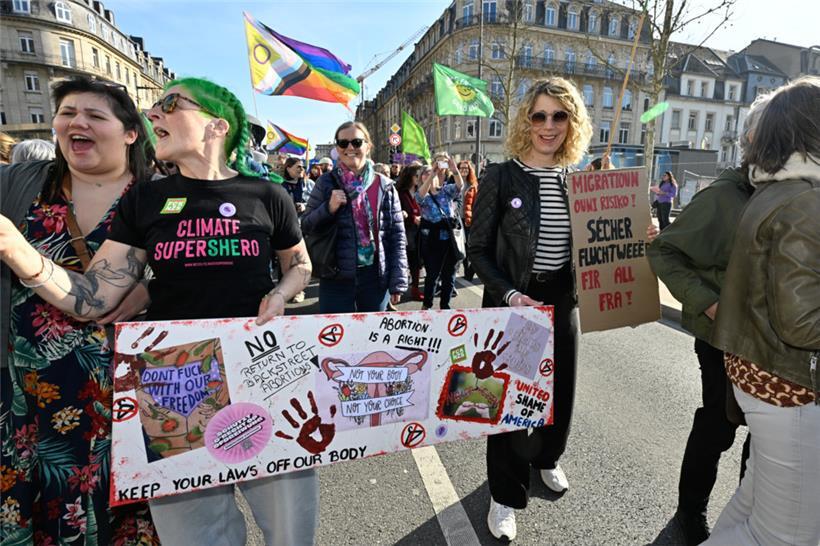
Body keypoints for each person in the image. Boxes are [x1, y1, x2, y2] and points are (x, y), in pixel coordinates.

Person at [0, 77, 314, 545]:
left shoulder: (268, 195)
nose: (153, 114)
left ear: (217, 125)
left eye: (170, 103)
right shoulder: (146, 199)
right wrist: (17, 251)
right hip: (173, 379)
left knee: (288, 522)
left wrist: (282, 293)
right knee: (194, 532)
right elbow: (94, 297)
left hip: (261, 367)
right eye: (154, 107)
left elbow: (300, 264)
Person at [0, 77, 159, 544]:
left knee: (125, 506)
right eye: (67, 113)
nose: (77, 122)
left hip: (127, 386)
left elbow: (205, 273)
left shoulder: (161, 195)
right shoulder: (18, 182)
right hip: (27, 388)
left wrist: (153, 289)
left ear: (130, 133)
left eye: (94, 115)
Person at [468, 77, 592, 541]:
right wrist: (508, 294)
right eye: (539, 115)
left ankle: (547, 458)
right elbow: (478, 250)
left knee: (560, 391)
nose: (548, 125)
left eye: (560, 116)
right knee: (510, 404)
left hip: (565, 299)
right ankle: (504, 494)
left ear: (572, 122)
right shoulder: (501, 177)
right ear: (526, 120)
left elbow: (596, 245)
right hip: (517, 300)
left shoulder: (578, 180)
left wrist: (635, 234)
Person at [647, 92, 771, 545]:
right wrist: (712, 304)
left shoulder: (793, 197)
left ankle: (747, 520)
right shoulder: (723, 196)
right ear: (754, 141)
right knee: (718, 427)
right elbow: (665, 252)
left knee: (767, 442)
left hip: (775, 346)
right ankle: (689, 515)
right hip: (722, 339)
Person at [705, 77, 820, 546]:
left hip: (763, 377)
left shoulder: (774, 191)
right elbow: (800, 322)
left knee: (751, 507)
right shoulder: (805, 201)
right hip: (788, 386)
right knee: (788, 536)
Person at [302, 121, 408, 313]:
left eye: (357, 142)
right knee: (336, 330)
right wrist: (328, 208)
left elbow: (396, 236)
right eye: (343, 143)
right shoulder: (325, 182)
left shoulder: (385, 185)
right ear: (337, 149)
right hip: (336, 276)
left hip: (375, 276)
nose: (350, 147)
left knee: (373, 330)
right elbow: (307, 225)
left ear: (368, 146)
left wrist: (398, 280)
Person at [416, 154, 464, 310]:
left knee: (449, 275)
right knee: (432, 275)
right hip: (433, 241)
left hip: (450, 240)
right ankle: (427, 305)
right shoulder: (423, 195)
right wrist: (432, 174)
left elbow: (460, 186)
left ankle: (445, 306)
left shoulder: (445, 190)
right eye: (424, 173)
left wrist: (454, 170)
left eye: (430, 173)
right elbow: (420, 196)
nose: (428, 175)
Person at [396, 164, 423, 301]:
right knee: (402, 261)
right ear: (410, 177)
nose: (419, 178)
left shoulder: (421, 191)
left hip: (419, 231)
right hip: (406, 232)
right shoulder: (400, 193)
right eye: (417, 175)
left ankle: (415, 289)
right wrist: (412, 218)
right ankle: (396, 291)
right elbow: (397, 212)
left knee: (416, 262)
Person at [458, 160, 478, 281]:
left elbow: (477, 203)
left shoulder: (473, 185)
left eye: (466, 168)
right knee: (459, 246)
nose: (464, 170)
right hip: (456, 220)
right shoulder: (453, 182)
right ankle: (464, 270)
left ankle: (468, 271)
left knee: (468, 246)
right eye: (461, 168)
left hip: (468, 220)